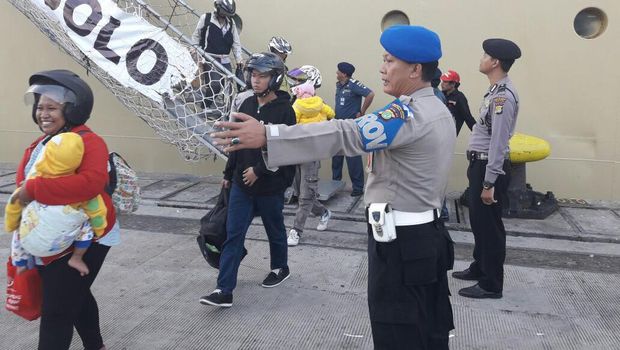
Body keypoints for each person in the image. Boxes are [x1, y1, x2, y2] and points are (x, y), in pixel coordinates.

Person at [211, 25, 456, 350]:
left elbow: (346, 133)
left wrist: (270, 135)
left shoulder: (407, 113)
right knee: (427, 330)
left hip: (401, 248)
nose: (382, 68)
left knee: (398, 332)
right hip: (427, 240)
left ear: (415, 69)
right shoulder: (437, 107)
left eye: (389, 60)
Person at [9, 69, 119, 350]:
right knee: (75, 295)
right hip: (51, 235)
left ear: (72, 109)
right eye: (40, 107)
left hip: (86, 235)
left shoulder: (88, 141)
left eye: (52, 108)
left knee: (57, 311)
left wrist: (34, 191)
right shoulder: (43, 142)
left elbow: (91, 183)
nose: (43, 114)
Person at [199, 52, 296, 308]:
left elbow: (284, 150)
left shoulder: (285, 111)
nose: (256, 81)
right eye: (253, 75)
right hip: (242, 183)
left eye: (262, 76)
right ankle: (224, 290)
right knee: (234, 234)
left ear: (274, 79)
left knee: (274, 229)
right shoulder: (246, 106)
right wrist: (228, 176)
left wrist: (258, 171)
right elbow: (236, 143)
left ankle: (280, 267)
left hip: (270, 185)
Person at [453, 39, 522, 300]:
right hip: (479, 164)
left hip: (488, 168)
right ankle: (480, 268)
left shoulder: (503, 96)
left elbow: (499, 142)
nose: (481, 57)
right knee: (480, 224)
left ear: (494, 62)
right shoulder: (494, 91)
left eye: (485, 54)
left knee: (490, 228)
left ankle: (491, 284)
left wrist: (489, 182)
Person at [5, 132, 108, 277]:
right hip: (60, 242)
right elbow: (97, 210)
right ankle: (77, 258)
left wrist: (11, 224)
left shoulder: (35, 179)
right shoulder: (79, 186)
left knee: (20, 225)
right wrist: (99, 228)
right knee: (87, 226)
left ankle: (21, 262)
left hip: (32, 233)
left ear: (47, 154)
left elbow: (14, 202)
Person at [287, 82, 334, 246]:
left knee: (305, 195)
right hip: (313, 151)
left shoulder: (296, 105)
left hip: (299, 150)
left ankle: (296, 231)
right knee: (302, 193)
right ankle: (323, 212)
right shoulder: (321, 103)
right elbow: (332, 115)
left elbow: (290, 124)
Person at [332, 61, 375, 197]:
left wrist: (362, 111)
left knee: (352, 157)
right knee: (337, 156)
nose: (336, 73)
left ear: (344, 74)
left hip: (351, 127)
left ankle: (357, 188)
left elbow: (370, 94)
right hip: (338, 126)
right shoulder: (339, 85)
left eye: (338, 71)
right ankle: (335, 184)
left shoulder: (354, 84)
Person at [191, 0, 243, 108]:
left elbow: (236, 43)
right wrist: (195, 49)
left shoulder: (231, 24)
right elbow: (196, 35)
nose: (226, 16)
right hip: (209, 57)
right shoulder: (206, 18)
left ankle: (227, 111)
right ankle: (205, 106)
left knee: (229, 88)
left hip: (225, 59)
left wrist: (239, 59)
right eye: (225, 13)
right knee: (215, 85)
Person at [440, 69, 476, 136]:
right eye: (442, 81)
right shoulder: (441, 95)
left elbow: (467, 117)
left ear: (453, 84)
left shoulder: (460, 97)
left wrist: (478, 134)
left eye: (445, 82)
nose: (442, 84)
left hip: (449, 134)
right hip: (438, 130)